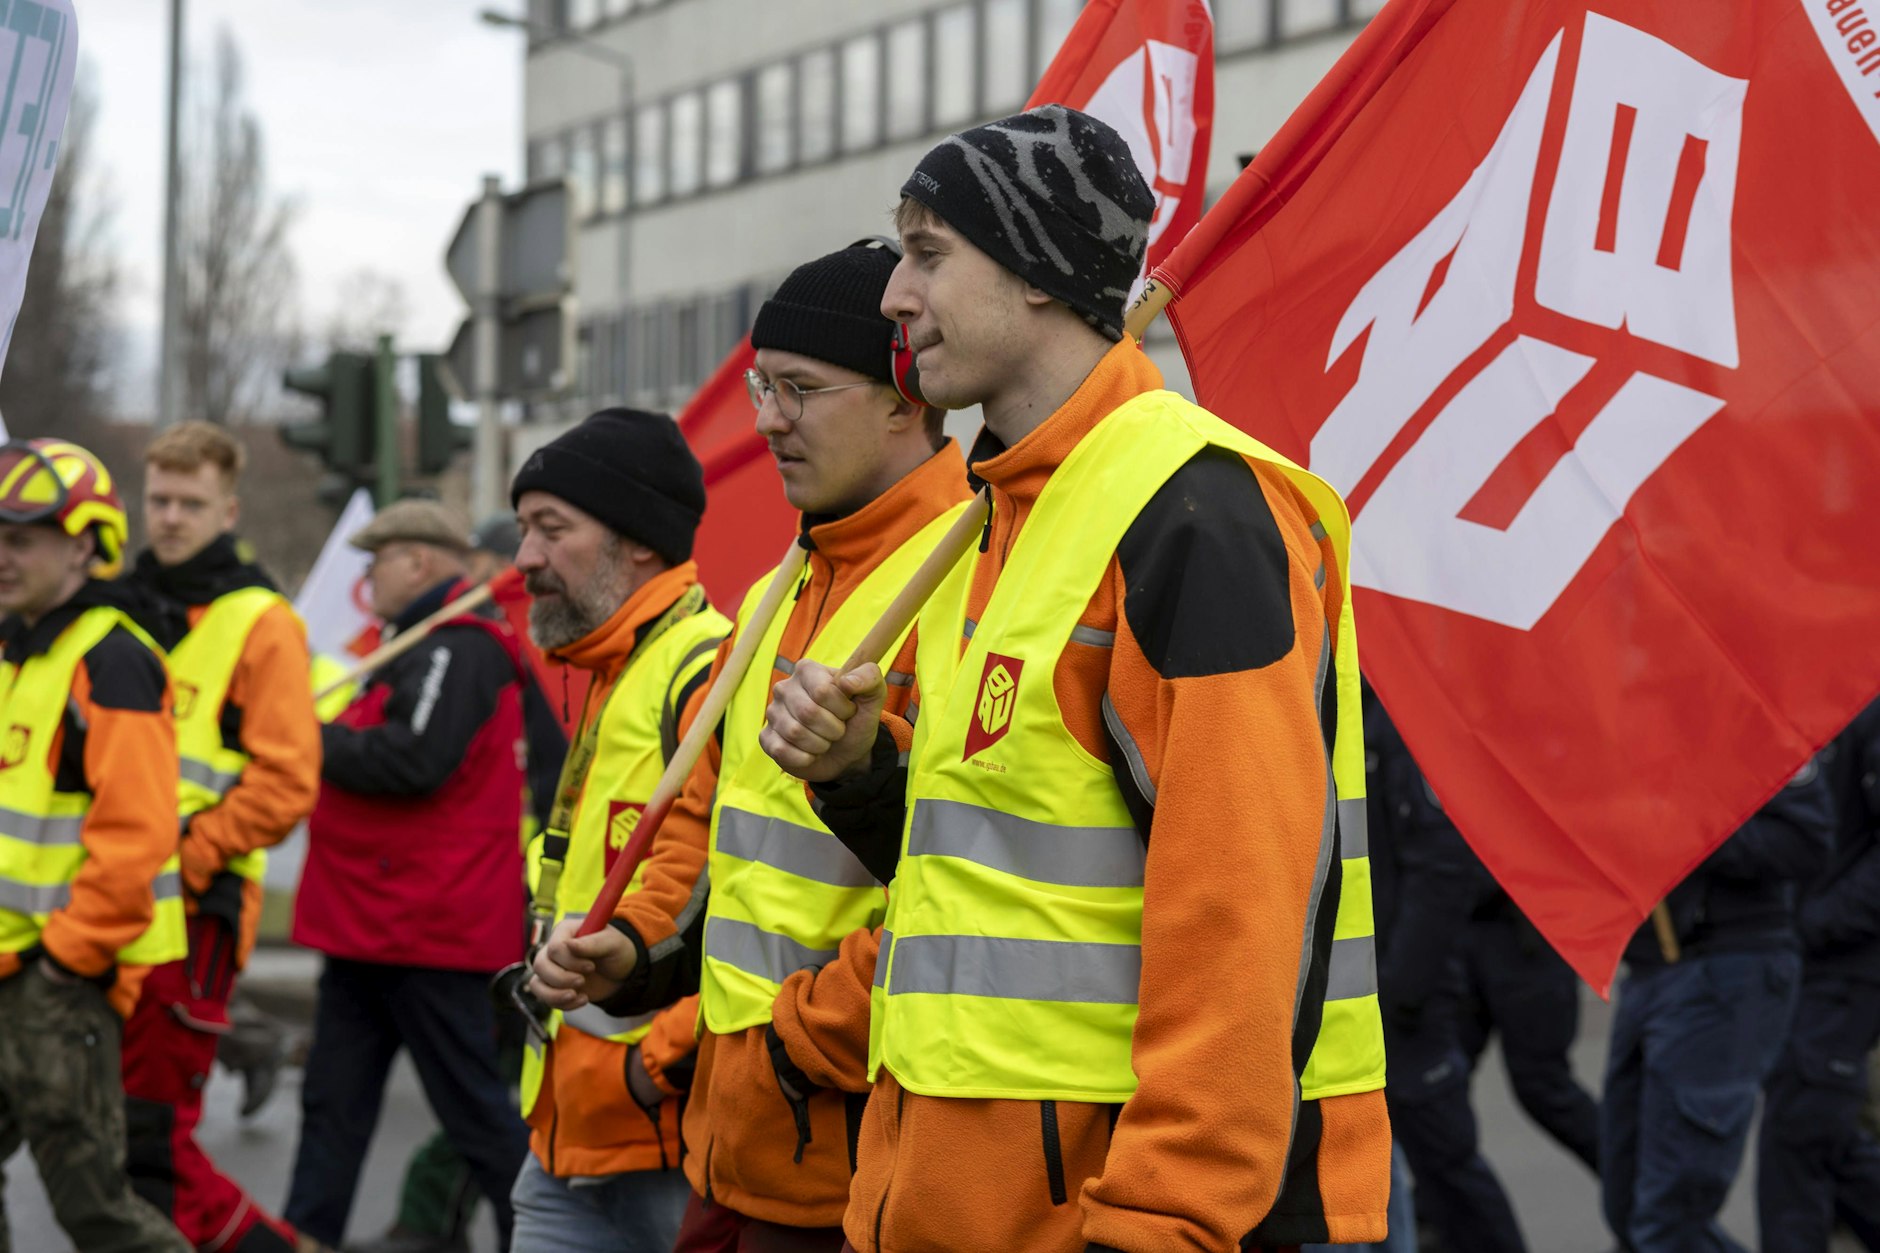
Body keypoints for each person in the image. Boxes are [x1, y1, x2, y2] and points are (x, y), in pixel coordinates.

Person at [761, 106, 1390, 1250]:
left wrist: (1164, 1218)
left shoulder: (1191, 509)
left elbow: (1240, 909)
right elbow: (994, 878)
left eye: (927, 251)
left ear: (1039, 274)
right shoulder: (995, 518)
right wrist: (861, 776)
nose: (893, 295)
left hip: (1112, 1212)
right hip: (945, 1196)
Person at [529, 240, 970, 1250]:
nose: (766, 418)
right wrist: (634, 951)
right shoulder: (780, 587)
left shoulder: (965, 577)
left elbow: (973, 880)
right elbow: (704, 827)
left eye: (799, 388)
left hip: (855, 1149)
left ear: (905, 395)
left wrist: (797, 1035)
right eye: (762, 385)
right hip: (734, 1142)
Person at [487, 409, 731, 1251]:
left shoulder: (705, 673)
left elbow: (746, 905)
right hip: (565, 1135)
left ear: (640, 543)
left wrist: (654, 1064)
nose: (523, 560)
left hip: (661, 1143)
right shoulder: (609, 669)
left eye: (551, 529)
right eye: (523, 530)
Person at [285, 499, 530, 1251]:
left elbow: (412, 759)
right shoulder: (413, 643)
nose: (368, 577)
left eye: (378, 560)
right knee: (334, 1107)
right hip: (375, 924)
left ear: (419, 561)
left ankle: (547, 1238)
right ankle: (305, 1235)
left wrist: (304, 735)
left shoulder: (459, 647)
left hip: (428, 930)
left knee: (477, 1115)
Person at [116, 423, 326, 1253]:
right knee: (101, 1137)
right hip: (98, 905)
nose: (169, 517)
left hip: (195, 909)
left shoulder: (261, 622)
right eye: (159, 499)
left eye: (189, 503)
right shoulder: (115, 606)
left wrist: (182, 855)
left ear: (228, 509)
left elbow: (285, 783)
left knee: (149, 1143)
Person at [351, 509, 573, 1253]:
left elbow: (547, 783)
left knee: (488, 1094)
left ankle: (449, 1219)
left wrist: (538, 903)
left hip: (518, 908)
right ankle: (435, 1218)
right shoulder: (501, 649)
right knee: (490, 1090)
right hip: (509, 904)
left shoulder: (503, 656)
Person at [0, 438, 190, 1252]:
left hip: (56, 984)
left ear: (82, 544)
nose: (2, 557)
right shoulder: (19, 644)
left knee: (99, 1212)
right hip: (15, 968)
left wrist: (65, 963)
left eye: (22, 538)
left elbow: (136, 837)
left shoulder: (112, 659)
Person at [1600, 763, 1834, 1253]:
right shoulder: (1630, 716)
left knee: (1669, 1219)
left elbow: (1805, 841)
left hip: (1726, 969)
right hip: (1648, 968)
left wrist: (1681, 826)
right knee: (1627, 1208)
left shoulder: (1745, 713)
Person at [1758, 697, 1880, 1253]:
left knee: (1799, 1135)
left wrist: (1813, 924)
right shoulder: (1803, 694)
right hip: (1795, 960)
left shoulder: (1864, 702)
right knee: (1819, 1136)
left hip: (1846, 961)